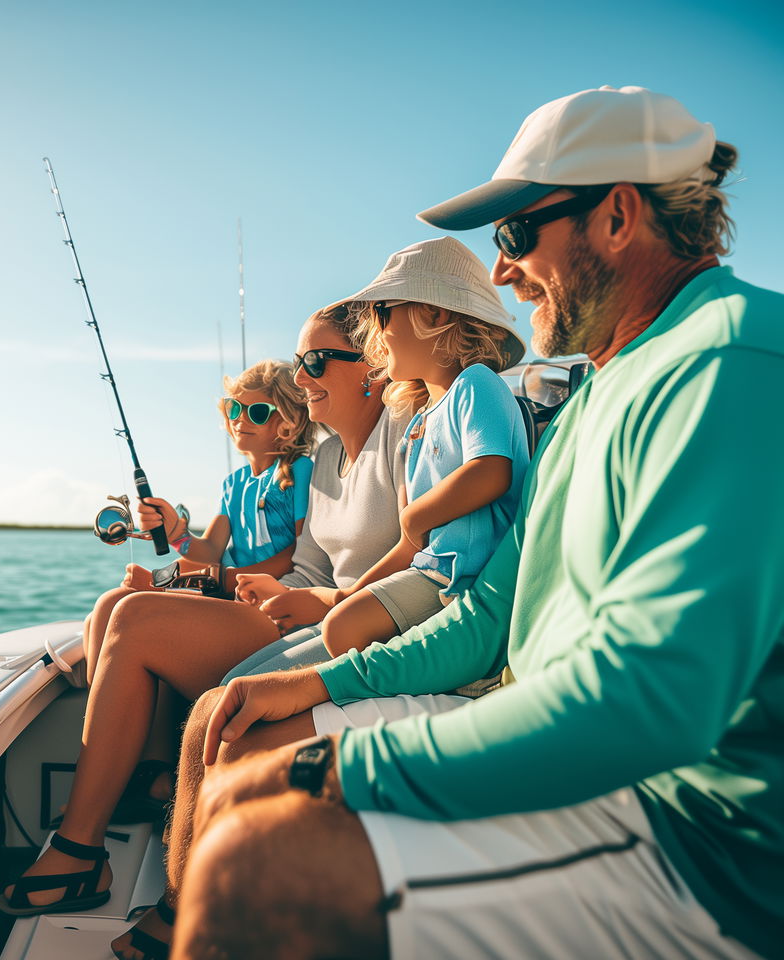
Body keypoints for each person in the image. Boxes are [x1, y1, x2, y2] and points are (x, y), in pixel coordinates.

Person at [166, 86, 783, 960]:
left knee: (253, 865)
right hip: (589, 760)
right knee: (236, 729)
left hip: (697, 847)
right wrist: (318, 688)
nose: (501, 271)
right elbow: (493, 614)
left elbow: (651, 704)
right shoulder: (598, 394)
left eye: (516, 234)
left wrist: (340, 767)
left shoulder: (729, 364)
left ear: (616, 216)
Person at [0, 303, 416, 931]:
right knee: (121, 604)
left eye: (315, 362)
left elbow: (414, 561)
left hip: (334, 626)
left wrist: (277, 593)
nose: (303, 378)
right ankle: (130, 782)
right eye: (300, 365)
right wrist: (224, 571)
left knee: (135, 619)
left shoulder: (399, 440)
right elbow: (300, 565)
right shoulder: (329, 461)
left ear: (371, 368)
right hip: (287, 607)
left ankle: (81, 848)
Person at [316, 239, 529, 658]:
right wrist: (349, 595)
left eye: (381, 311)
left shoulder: (476, 383)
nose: (373, 331)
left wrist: (414, 516)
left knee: (342, 632)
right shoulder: (417, 425)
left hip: (468, 582)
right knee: (340, 622)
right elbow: (411, 546)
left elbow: (491, 471)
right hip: (432, 575)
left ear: (433, 313)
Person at [83, 358, 315, 681]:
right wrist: (176, 531)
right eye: (235, 409)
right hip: (229, 588)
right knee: (107, 605)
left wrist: (225, 577)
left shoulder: (301, 472)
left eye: (257, 412)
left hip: (261, 599)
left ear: (289, 422)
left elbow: (301, 555)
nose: (239, 420)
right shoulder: (233, 485)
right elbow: (209, 550)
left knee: (127, 604)